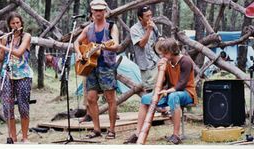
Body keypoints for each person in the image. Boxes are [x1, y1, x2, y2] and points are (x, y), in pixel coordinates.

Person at [123, 38, 198, 144]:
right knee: (145, 99)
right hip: (170, 92)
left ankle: (176, 135)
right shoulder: (167, 63)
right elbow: (163, 83)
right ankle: (138, 133)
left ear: (172, 51)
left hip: (187, 92)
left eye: (165, 53)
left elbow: (182, 84)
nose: (162, 56)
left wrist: (167, 92)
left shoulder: (185, 61)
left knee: (173, 96)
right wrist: (160, 70)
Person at [0, 12, 33, 143]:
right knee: (7, 108)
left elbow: (18, 53)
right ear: (9, 25)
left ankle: (25, 137)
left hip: (23, 76)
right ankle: (13, 137)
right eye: (13, 23)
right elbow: (1, 58)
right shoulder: (6, 39)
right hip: (7, 76)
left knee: (23, 107)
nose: (16, 25)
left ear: (21, 23)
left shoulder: (26, 36)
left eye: (18, 23)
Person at [73, 0, 119, 139]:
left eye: (101, 10)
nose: (98, 13)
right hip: (91, 67)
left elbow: (116, 44)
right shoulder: (88, 28)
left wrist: (106, 46)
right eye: (96, 10)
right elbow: (76, 41)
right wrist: (79, 53)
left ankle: (111, 130)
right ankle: (96, 129)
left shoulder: (111, 26)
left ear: (105, 11)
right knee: (91, 98)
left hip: (106, 66)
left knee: (110, 98)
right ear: (92, 12)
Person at [130, 5, 161, 93]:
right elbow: (142, 44)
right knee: (149, 90)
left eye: (151, 15)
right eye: (147, 16)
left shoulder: (153, 25)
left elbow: (158, 37)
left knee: (159, 88)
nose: (150, 18)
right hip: (146, 65)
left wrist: (161, 40)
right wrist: (148, 30)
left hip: (156, 61)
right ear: (140, 18)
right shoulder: (134, 29)